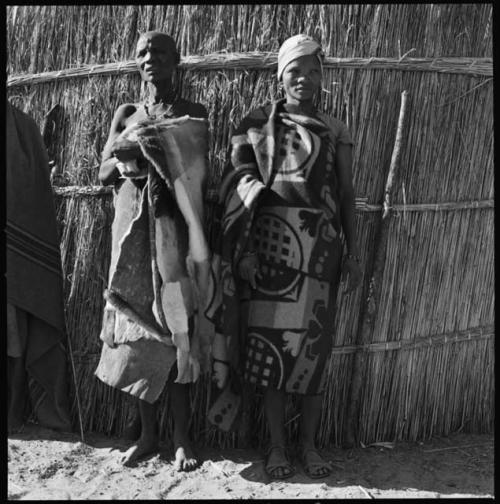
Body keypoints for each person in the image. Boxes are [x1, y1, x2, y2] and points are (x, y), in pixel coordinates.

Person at [206, 34, 362, 479]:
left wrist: (351, 252)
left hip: (320, 258)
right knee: (270, 357)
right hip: (271, 259)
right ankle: (276, 448)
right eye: (296, 70)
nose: (305, 79)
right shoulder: (256, 124)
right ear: (280, 75)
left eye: (314, 71)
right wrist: (247, 252)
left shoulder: (334, 129)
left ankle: (310, 448)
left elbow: (346, 195)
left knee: (313, 359)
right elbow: (235, 182)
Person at [95, 31, 212, 470]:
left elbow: (199, 175)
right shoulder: (127, 113)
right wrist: (129, 150)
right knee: (137, 329)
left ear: (176, 60)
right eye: (143, 52)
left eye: (159, 51)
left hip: (173, 233)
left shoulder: (192, 114)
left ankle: (182, 438)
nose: (150, 58)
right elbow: (105, 171)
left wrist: (158, 146)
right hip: (131, 232)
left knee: (176, 327)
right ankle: (148, 435)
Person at [6, 100, 72, 434]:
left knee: (14, 334)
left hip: (12, 254)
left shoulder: (23, 129)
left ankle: (14, 408)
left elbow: (33, 196)